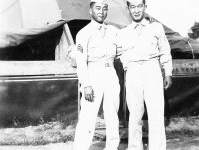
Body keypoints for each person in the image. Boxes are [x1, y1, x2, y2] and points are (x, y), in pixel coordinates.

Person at [115, 0, 172, 149]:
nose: (136, 10)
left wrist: (168, 72)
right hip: (133, 72)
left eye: (139, 6)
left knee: (156, 114)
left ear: (145, 7)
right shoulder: (123, 32)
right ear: (128, 9)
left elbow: (165, 50)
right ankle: (135, 147)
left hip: (152, 69)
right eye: (132, 7)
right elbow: (112, 51)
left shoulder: (156, 27)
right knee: (134, 115)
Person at [72, 0, 120, 150]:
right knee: (88, 115)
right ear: (90, 10)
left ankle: (112, 147)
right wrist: (86, 85)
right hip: (93, 74)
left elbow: (121, 52)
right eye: (97, 8)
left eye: (104, 8)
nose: (101, 11)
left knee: (113, 114)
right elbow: (80, 61)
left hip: (111, 73)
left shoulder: (114, 31)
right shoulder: (84, 33)